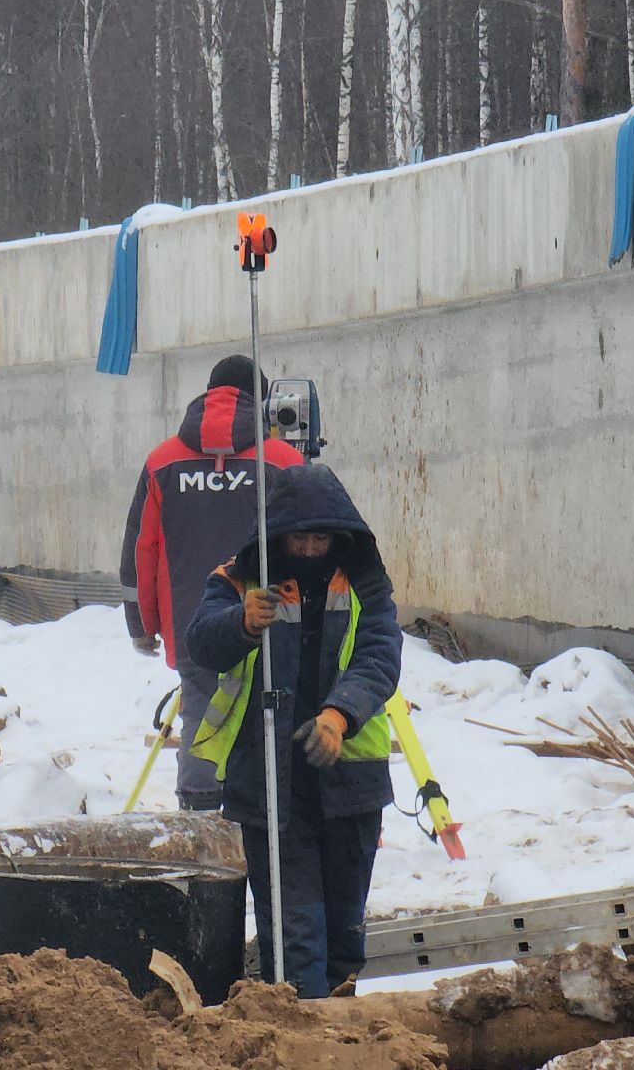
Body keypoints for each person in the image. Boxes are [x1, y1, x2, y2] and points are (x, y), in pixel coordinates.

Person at [185, 463, 399, 998]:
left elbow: (379, 653)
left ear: (339, 535)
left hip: (348, 779)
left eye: (320, 537)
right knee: (294, 931)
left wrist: (339, 715)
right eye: (298, 537)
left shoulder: (362, 580)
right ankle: (300, 1024)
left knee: (346, 927)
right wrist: (239, 623)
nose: (308, 548)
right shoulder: (238, 580)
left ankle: (338, 1018)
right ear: (277, 533)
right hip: (268, 780)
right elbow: (202, 643)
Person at [120, 355, 304, 810]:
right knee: (275, 718)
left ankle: (201, 819)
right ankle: (272, 813)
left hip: (189, 623)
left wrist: (142, 624)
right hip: (271, 622)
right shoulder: (282, 460)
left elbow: (141, 550)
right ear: (262, 405)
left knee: (202, 718)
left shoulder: (162, 461)